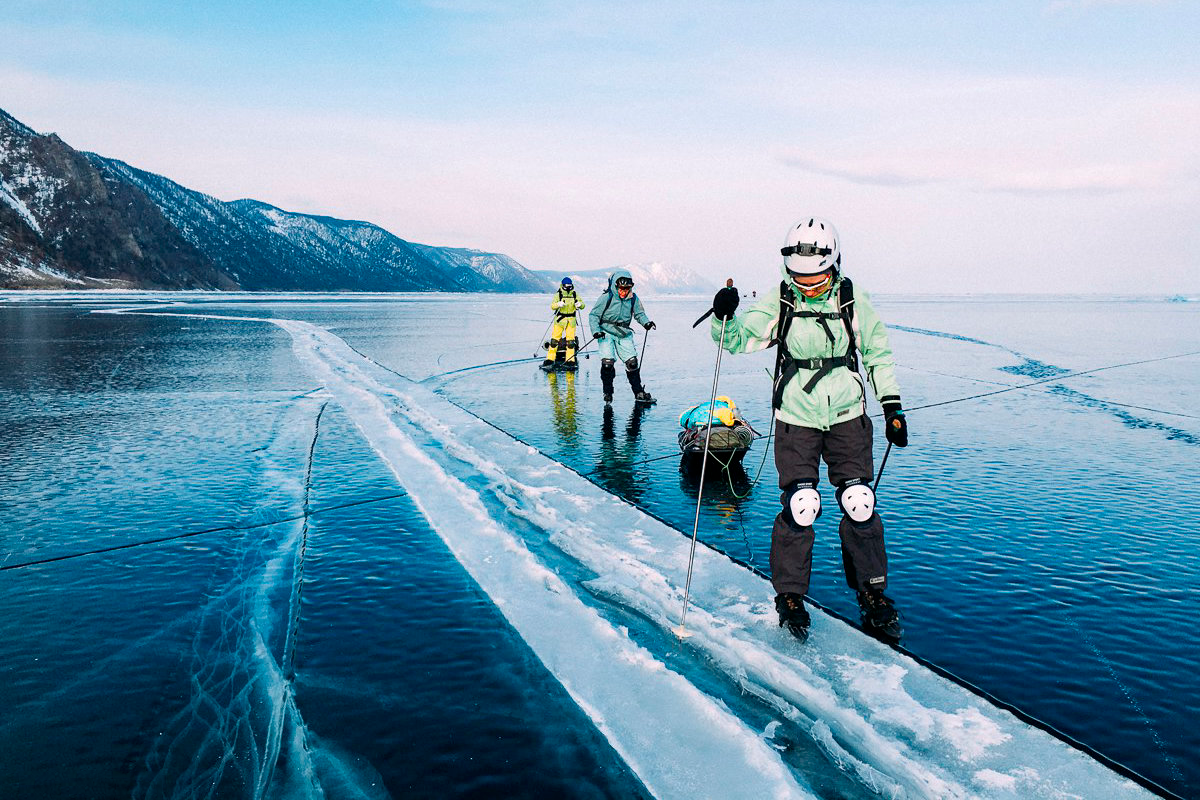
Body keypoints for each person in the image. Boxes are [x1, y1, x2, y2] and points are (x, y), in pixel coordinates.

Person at [708, 217, 909, 641]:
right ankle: (791, 596)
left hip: (847, 414)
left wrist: (892, 406)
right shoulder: (780, 299)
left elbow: (877, 353)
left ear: (832, 263)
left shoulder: (852, 300)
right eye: (801, 275)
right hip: (796, 415)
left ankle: (872, 594)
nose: (810, 283)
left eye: (817, 274)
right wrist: (723, 314)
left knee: (859, 501)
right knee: (802, 504)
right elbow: (738, 339)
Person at [588, 269, 657, 404]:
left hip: (624, 332)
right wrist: (596, 331)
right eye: (621, 288)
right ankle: (608, 392)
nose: (624, 291)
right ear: (615, 286)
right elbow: (594, 315)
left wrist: (646, 323)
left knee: (632, 363)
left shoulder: (633, 299)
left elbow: (639, 314)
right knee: (607, 363)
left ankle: (638, 392)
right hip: (605, 331)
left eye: (626, 289)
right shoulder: (606, 297)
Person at [541, 276, 586, 371]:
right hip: (560, 321)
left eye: (570, 285)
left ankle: (570, 360)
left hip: (571, 321)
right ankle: (550, 359)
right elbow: (552, 306)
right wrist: (558, 304)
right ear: (563, 285)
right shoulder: (558, 294)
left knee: (570, 342)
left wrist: (579, 304)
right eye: (567, 285)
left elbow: (583, 305)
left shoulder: (574, 294)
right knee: (554, 341)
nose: (568, 287)